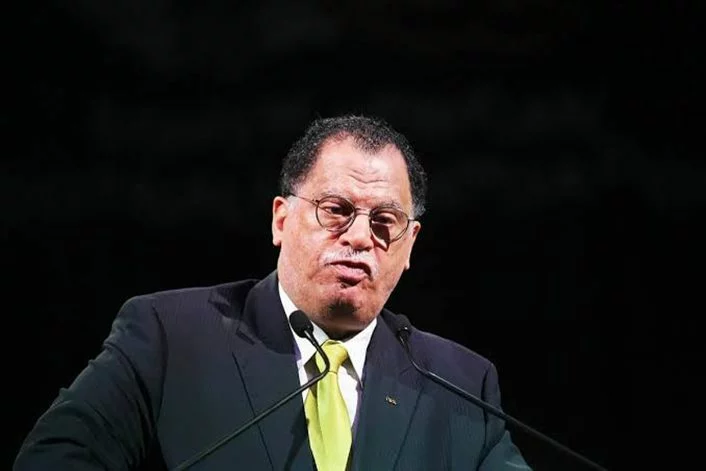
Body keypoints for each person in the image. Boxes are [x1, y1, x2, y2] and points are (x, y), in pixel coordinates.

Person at [14, 115, 531, 470]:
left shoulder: (459, 385)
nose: (359, 237)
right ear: (281, 219)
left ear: (409, 243)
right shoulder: (170, 338)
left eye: (384, 222)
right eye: (336, 210)